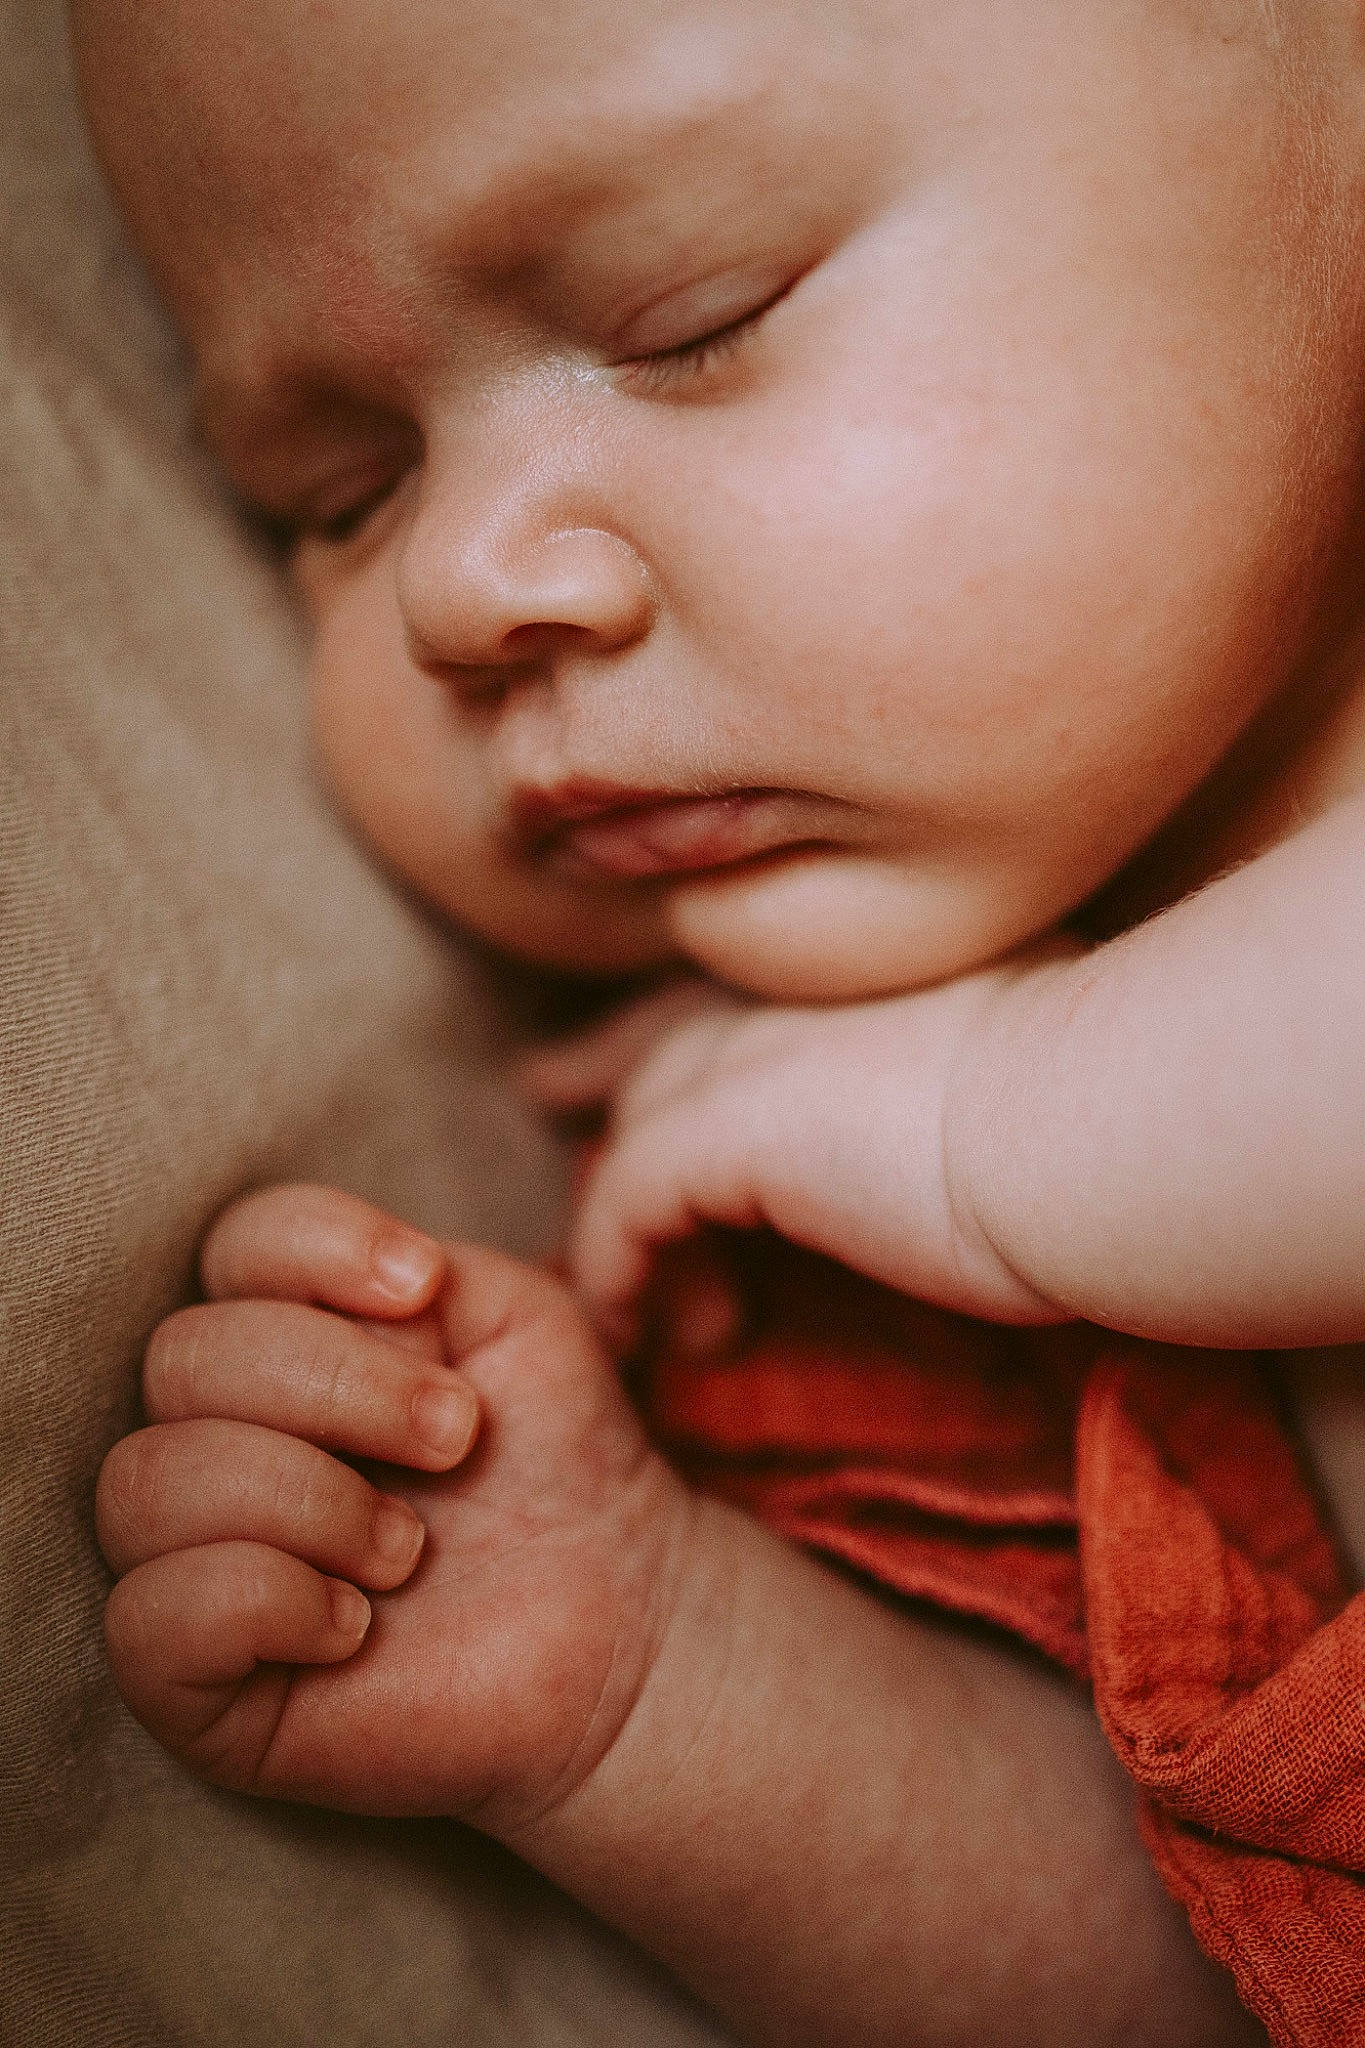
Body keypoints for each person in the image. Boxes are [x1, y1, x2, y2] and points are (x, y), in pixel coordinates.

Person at [69, 0, 1365, 2039]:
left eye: (685, 311)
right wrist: (654, 1686)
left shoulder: (922, 1138)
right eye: (340, 488)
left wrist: (992, 1119)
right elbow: (1209, 1983)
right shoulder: (794, 1234)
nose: (458, 586)